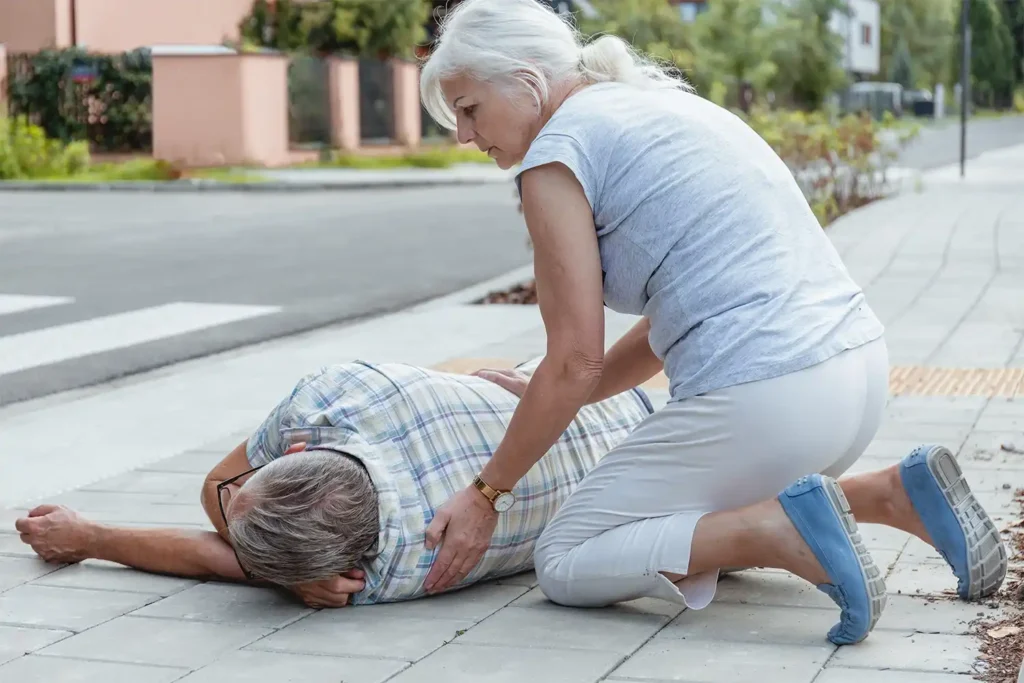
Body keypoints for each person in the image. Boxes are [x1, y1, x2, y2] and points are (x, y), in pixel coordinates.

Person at [416, 0, 1008, 645]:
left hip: (770, 401)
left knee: (566, 559)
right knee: (680, 527)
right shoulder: (661, 105)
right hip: (855, 377)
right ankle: (894, 495)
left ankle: (783, 531)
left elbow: (574, 361)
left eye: (469, 108)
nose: (464, 135)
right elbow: (664, 326)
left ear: (527, 81)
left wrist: (485, 495)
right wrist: (554, 392)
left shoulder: (555, 157)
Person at [15, 358, 653, 608]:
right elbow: (222, 488)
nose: (231, 492)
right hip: (614, 399)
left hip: (642, 452)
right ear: (300, 449)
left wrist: (92, 537)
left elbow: (212, 545)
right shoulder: (339, 391)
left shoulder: (401, 569)